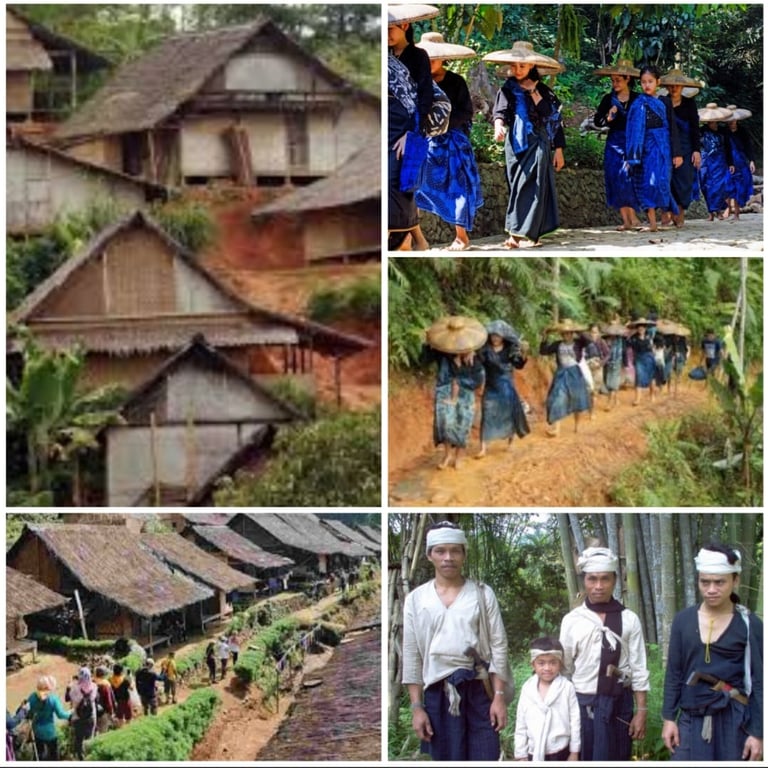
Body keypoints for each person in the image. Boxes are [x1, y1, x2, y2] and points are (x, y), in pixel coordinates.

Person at [402, 521, 512, 761]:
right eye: (440, 551)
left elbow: (499, 646)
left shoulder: (482, 593)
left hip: (479, 689)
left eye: (455, 550)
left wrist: (499, 697)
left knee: (485, 754)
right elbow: (412, 655)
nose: (448, 557)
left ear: (464, 554)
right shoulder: (415, 600)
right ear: (429, 555)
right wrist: (417, 707)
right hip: (438, 694)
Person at [661, 543, 763, 761]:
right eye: (704, 582)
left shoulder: (749, 624)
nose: (711, 589)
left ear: (735, 580)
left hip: (734, 720)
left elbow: (760, 681)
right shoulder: (683, 620)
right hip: (691, 718)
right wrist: (669, 718)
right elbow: (674, 673)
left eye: (720, 582)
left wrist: (758, 732)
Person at [559, 547, 650, 761]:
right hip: (583, 704)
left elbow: (638, 667)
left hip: (620, 703)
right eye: (592, 579)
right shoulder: (573, 620)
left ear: (615, 581)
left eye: (605, 579)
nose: (598, 586)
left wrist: (642, 710)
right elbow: (565, 670)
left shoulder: (629, 619)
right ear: (584, 580)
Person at [488, 41, 565, 248]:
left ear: (532, 66)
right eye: (514, 65)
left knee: (533, 187)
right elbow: (500, 112)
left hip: (538, 142)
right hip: (515, 143)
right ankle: (523, 233)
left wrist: (558, 150)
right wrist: (498, 127)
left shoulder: (544, 91)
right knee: (517, 186)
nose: (518, 69)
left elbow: (553, 118)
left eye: (522, 65)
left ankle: (521, 236)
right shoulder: (507, 89)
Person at [415, 33, 483, 251]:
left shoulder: (456, 82)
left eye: (434, 59)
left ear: (443, 58)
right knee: (412, 189)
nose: (430, 63)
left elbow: (466, 112)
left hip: (452, 143)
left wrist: (442, 125)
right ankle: (414, 239)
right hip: (423, 143)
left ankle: (461, 237)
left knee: (458, 188)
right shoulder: (416, 81)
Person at [388, 5, 435, 251]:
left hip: (405, 125)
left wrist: (412, 134)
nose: (385, 35)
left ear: (404, 26)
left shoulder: (418, 57)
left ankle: (400, 239)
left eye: (390, 29)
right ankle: (401, 241)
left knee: (397, 180)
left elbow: (424, 96)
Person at [423, 316, 486, 470]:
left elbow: (476, 380)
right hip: (444, 390)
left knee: (463, 423)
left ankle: (459, 456)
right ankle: (447, 455)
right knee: (445, 424)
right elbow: (423, 361)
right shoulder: (442, 352)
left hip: (465, 394)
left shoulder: (475, 357)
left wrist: (461, 367)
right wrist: (427, 344)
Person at [624, 65, 682, 232]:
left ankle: (669, 211)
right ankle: (652, 223)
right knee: (649, 182)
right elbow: (633, 129)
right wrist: (632, 154)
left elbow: (672, 127)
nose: (647, 85)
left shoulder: (664, 102)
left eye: (650, 81)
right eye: (643, 82)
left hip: (664, 148)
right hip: (646, 149)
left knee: (662, 182)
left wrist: (677, 153)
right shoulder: (637, 104)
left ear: (658, 82)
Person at [592, 59, 642, 231]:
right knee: (616, 178)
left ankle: (634, 217)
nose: (615, 83)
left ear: (627, 78)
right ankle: (626, 220)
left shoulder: (638, 99)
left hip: (633, 143)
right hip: (614, 143)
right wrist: (608, 117)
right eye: (612, 80)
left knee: (630, 178)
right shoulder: (608, 99)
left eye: (618, 80)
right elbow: (597, 121)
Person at [514, 636, 580, 761]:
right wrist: (521, 754)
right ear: (533, 664)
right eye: (541, 663)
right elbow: (521, 723)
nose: (547, 668)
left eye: (553, 662)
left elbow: (575, 722)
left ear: (560, 663)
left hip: (560, 751)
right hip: (534, 752)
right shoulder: (527, 689)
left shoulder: (567, 687)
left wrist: (574, 752)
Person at [476, 320, 530, 458]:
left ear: (503, 337)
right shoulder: (484, 350)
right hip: (491, 387)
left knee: (508, 415)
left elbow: (518, 365)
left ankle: (510, 442)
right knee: (487, 414)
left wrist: (524, 354)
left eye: (498, 335)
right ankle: (483, 448)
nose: (495, 338)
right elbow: (477, 366)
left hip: (506, 387)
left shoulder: (510, 350)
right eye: (493, 335)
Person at [659, 69, 702, 228]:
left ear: (682, 86)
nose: (674, 88)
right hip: (666, 145)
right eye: (670, 85)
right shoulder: (662, 102)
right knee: (665, 179)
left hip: (686, 147)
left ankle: (679, 212)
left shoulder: (689, 104)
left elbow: (695, 128)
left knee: (683, 181)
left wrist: (696, 150)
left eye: (677, 85)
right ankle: (665, 213)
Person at [539, 318, 590, 438]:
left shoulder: (578, 343)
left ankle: (577, 425)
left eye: (568, 333)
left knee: (578, 400)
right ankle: (556, 429)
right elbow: (543, 351)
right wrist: (545, 336)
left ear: (572, 333)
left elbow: (589, 341)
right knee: (557, 397)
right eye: (564, 333)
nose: (566, 335)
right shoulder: (558, 344)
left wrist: (579, 330)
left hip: (575, 373)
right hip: (561, 373)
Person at [698, 103, 734, 220]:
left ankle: (717, 211)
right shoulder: (701, 131)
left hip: (720, 161)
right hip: (705, 162)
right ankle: (710, 212)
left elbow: (728, 148)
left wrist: (731, 163)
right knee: (705, 185)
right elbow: (696, 146)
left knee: (719, 186)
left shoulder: (723, 132)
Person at [26, 676, 71, 761]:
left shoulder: (32, 697)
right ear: (48, 687)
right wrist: (71, 712)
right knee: (54, 754)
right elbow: (61, 715)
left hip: (36, 731)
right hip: (50, 732)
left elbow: (28, 713)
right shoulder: (53, 699)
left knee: (39, 753)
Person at [724, 105, 756, 222]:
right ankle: (728, 207)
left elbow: (748, 146)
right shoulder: (724, 132)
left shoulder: (743, 131)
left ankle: (736, 213)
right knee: (727, 187)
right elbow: (725, 149)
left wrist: (751, 160)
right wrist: (729, 163)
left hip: (741, 162)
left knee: (739, 189)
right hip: (728, 162)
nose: (732, 121)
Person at [625, 318, 657, 405]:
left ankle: (652, 395)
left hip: (649, 358)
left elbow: (655, 346)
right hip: (639, 359)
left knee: (651, 377)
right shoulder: (633, 338)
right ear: (637, 328)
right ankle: (637, 399)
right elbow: (627, 344)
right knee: (638, 377)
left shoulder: (649, 336)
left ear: (645, 328)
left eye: (642, 327)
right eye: (639, 327)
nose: (641, 329)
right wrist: (628, 333)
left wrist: (653, 348)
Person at [69, 666, 98, 760]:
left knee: (78, 739)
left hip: (78, 717)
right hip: (91, 717)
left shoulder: (74, 688)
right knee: (89, 738)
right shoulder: (94, 686)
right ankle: (89, 757)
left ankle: (80, 757)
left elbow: (71, 699)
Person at [584, 324, 611, 418]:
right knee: (588, 390)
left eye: (595, 332)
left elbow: (608, 354)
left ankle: (592, 412)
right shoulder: (585, 342)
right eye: (591, 332)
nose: (593, 334)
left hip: (598, 368)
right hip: (587, 368)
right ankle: (589, 408)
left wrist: (601, 363)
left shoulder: (601, 342)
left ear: (599, 333)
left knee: (594, 391)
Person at [601, 322, 626, 411]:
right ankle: (616, 400)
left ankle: (609, 403)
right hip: (607, 364)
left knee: (612, 384)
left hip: (616, 363)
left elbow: (621, 352)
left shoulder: (620, 340)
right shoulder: (605, 339)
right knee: (609, 383)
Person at [92, 666, 116, 734]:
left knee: (93, 732)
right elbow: (109, 701)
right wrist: (111, 712)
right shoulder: (106, 684)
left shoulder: (92, 683)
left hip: (93, 712)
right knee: (103, 733)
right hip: (103, 713)